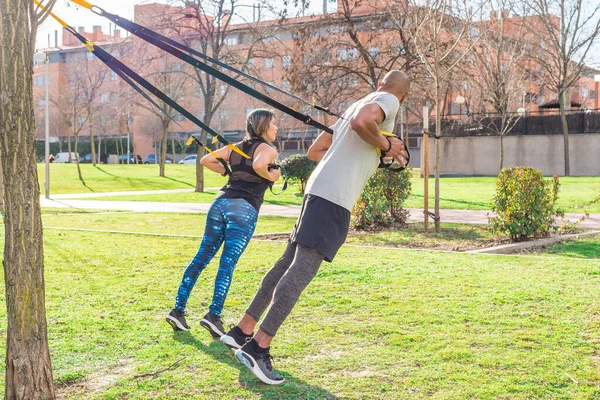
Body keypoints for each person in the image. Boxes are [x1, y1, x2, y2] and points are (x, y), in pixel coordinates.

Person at [221, 70, 410, 384]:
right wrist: (386, 146)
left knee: (286, 264)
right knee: (302, 270)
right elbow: (363, 123)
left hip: (317, 191)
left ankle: (242, 330)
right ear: (401, 96)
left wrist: (370, 153)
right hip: (333, 198)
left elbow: (315, 151)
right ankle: (258, 347)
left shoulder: (357, 105)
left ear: (378, 83)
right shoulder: (387, 102)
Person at [166, 109, 281, 338]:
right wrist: (271, 176)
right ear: (264, 126)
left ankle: (178, 310)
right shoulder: (268, 149)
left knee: (201, 257)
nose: (276, 127)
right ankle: (213, 315)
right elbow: (259, 166)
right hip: (244, 209)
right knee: (226, 264)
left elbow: (206, 159)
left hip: (220, 203)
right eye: (274, 123)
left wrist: (225, 171)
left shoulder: (235, 147)